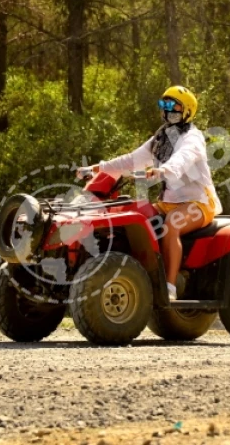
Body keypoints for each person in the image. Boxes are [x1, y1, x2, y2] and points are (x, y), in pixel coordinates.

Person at [78, 86, 222, 300]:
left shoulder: (192, 137)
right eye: (164, 105)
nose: (168, 110)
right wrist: (96, 168)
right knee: (134, 215)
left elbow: (183, 158)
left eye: (174, 106)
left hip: (199, 203)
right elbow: (130, 160)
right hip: (168, 202)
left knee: (172, 224)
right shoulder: (161, 137)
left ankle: (170, 287)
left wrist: (163, 170)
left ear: (188, 110)